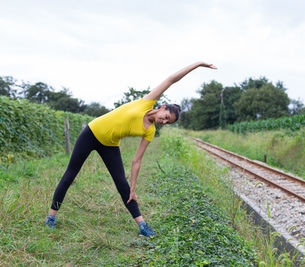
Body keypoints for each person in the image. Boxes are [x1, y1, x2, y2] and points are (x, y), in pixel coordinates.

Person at [45, 62, 217, 237]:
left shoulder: (149, 131)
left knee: (123, 185)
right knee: (70, 174)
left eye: (167, 122)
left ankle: (142, 225)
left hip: (110, 144)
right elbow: (172, 79)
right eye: (165, 117)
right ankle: (51, 217)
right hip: (91, 133)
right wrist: (199, 64)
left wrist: (133, 188)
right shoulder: (146, 102)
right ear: (162, 108)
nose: (163, 122)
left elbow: (137, 160)